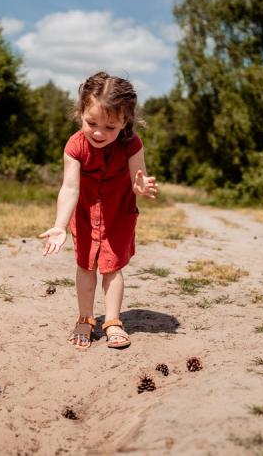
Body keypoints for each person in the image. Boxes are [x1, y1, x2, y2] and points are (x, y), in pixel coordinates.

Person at [38, 72, 158, 350]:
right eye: (91, 123)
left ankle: (113, 321)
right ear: (80, 112)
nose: (99, 133)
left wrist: (140, 187)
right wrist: (59, 224)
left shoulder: (132, 143)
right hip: (84, 213)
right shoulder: (75, 146)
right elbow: (70, 188)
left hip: (118, 213)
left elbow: (137, 179)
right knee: (85, 265)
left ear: (124, 122)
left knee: (112, 267)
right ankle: (85, 318)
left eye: (111, 127)